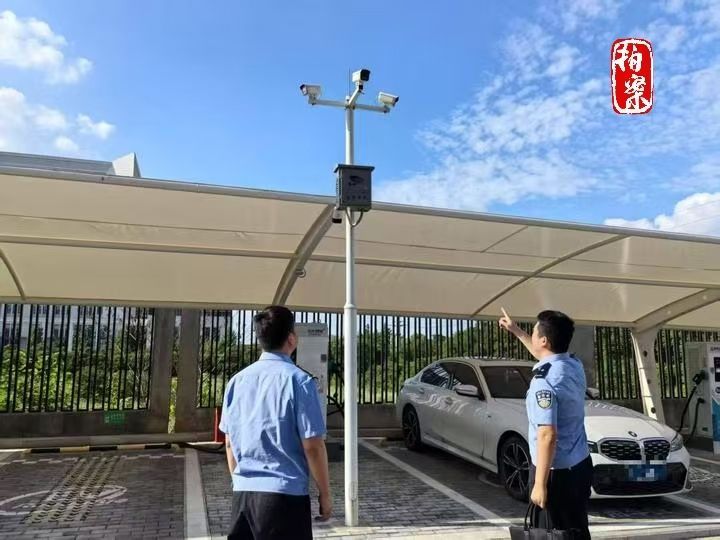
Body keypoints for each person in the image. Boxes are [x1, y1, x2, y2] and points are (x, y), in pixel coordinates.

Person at [219, 306, 332, 540]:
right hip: (284, 499)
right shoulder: (300, 382)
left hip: (243, 498)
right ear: (291, 339)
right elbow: (313, 446)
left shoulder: (236, 381)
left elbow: (229, 444)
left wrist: (240, 481)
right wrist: (325, 493)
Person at [499, 308, 592, 540]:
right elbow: (545, 355)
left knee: (549, 532)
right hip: (580, 465)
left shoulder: (543, 382)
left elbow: (547, 435)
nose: (531, 335)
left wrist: (539, 484)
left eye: (534, 332)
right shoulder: (573, 365)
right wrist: (516, 330)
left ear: (543, 340)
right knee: (577, 529)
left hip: (554, 473)